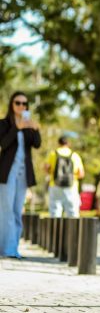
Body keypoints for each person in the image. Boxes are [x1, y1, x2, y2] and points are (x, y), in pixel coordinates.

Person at [0, 92, 41, 258]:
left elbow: (37, 144)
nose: (21, 106)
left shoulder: (28, 126)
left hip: (23, 175)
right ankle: (6, 249)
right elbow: (3, 143)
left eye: (25, 103)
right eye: (18, 103)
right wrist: (17, 128)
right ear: (12, 104)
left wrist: (36, 129)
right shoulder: (4, 124)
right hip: (6, 173)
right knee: (6, 211)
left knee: (17, 211)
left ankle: (13, 249)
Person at [43, 135, 85, 218]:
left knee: (54, 212)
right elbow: (81, 174)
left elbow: (46, 168)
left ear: (58, 143)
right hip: (71, 186)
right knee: (72, 213)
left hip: (55, 185)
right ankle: (73, 230)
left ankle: (55, 230)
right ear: (68, 143)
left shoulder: (53, 154)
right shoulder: (75, 155)